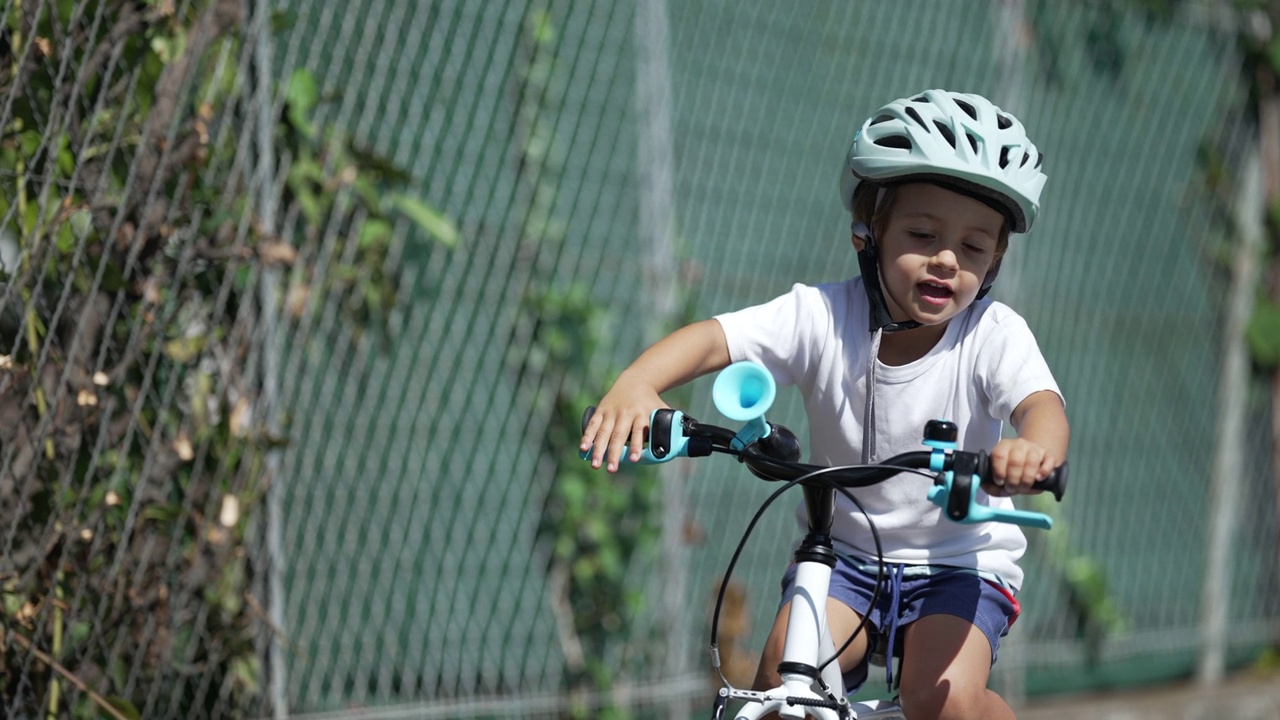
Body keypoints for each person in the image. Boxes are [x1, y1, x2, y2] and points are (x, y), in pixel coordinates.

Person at [579, 89, 1070, 720]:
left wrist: (1031, 451)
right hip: (847, 559)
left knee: (940, 702)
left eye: (974, 248)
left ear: (995, 260)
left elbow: (1040, 406)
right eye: (922, 233)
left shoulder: (992, 335)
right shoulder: (819, 315)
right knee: (782, 685)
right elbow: (715, 338)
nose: (947, 258)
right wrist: (636, 384)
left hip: (959, 564)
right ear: (868, 231)